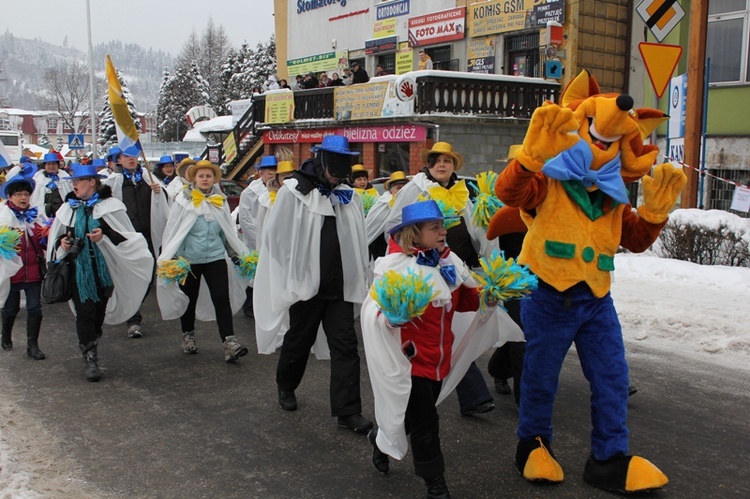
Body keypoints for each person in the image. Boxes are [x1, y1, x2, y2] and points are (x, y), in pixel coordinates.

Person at [361, 200, 513, 499]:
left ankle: (380, 439)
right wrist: (391, 317)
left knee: (412, 415)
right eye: (435, 227)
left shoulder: (449, 262)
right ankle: (435, 484)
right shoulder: (394, 267)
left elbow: (466, 302)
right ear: (414, 234)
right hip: (411, 360)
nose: (444, 231)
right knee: (426, 423)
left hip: (440, 359)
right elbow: (374, 311)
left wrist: (491, 297)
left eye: (443, 225)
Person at [254, 135, 372, 433]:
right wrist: (297, 271)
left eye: (342, 169)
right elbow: (276, 238)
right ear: (319, 161)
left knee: (346, 347)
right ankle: (286, 384)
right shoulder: (294, 191)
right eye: (333, 168)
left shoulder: (348, 195)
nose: (336, 174)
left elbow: (357, 241)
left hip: (340, 288)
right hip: (307, 286)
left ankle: (348, 411)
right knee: (299, 340)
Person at [385, 142, 498, 416]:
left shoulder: (463, 192)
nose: (442, 165)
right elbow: (394, 225)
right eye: (437, 160)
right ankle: (467, 396)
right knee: (442, 332)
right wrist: (411, 256)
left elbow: (476, 228)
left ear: (454, 166)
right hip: (424, 269)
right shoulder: (415, 189)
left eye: (447, 161)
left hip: (457, 268)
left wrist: (486, 262)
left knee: (455, 330)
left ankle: (466, 395)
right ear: (429, 164)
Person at [48, 163, 153, 381]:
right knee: (84, 313)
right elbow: (55, 238)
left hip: (105, 272)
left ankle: (91, 342)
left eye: (78, 181)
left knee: (97, 314)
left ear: (92, 183)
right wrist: (63, 243)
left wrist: (103, 234)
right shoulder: (68, 209)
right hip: (78, 271)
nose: (74, 185)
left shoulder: (111, 206)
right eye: (73, 182)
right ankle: (90, 357)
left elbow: (125, 237)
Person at [156, 160, 250, 362]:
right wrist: (173, 259)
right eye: (201, 176)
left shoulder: (220, 200)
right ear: (194, 178)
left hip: (215, 258)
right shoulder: (183, 200)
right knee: (189, 299)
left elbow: (226, 232)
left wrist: (234, 255)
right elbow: (175, 232)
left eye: (208, 176)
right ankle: (188, 336)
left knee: (221, 299)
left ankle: (229, 343)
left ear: (213, 179)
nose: (205, 179)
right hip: (190, 261)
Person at [104, 145, 169, 338]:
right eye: (126, 157)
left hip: (147, 235)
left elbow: (165, 203)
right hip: (126, 235)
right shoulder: (113, 182)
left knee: (148, 275)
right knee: (126, 275)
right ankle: (133, 319)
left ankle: (133, 304)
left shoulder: (149, 178)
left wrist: (159, 193)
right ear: (119, 160)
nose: (131, 159)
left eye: (134, 156)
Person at [0, 164, 47, 359]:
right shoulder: (3, 218)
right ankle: (6, 334)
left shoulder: (36, 216)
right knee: (11, 309)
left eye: (26, 194)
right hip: (12, 273)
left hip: (34, 272)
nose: (23, 198)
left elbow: (46, 240)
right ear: (10, 197)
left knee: (35, 308)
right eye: (18, 194)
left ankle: (32, 345)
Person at [237, 155, 278, 317]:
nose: (273, 175)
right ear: (261, 172)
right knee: (254, 274)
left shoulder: (280, 191)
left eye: (276, 172)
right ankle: (249, 306)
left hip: (273, 240)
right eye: (270, 172)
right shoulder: (249, 193)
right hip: (255, 240)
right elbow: (246, 219)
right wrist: (260, 240)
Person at [365, 171, 410, 260]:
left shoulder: (410, 201)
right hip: (380, 246)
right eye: (398, 188)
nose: (401, 191)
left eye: (404, 188)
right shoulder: (383, 202)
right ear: (390, 190)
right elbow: (371, 225)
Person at [30, 152, 71, 217]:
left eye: (53, 164)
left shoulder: (65, 178)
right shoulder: (38, 180)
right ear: (45, 166)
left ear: (57, 165)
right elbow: (36, 200)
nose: (51, 166)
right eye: (48, 164)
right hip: (46, 215)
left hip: (63, 214)